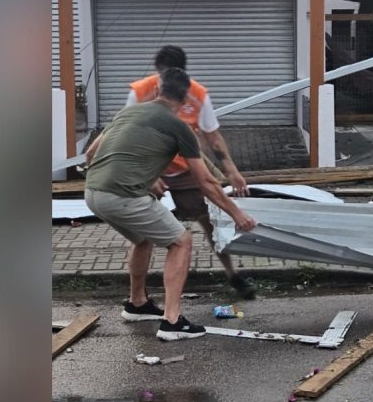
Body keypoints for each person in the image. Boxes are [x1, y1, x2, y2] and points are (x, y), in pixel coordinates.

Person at [84, 68, 256, 341]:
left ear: (156, 90)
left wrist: (135, 179)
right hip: (123, 196)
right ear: (186, 98)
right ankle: (172, 322)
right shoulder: (179, 127)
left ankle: (137, 304)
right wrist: (238, 214)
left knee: (142, 238)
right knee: (181, 241)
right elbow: (207, 183)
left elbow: (92, 153)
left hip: (93, 193)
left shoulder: (126, 113)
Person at [125, 45, 257, 299]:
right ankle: (137, 297)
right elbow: (126, 137)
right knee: (141, 234)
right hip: (148, 168)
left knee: (211, 221)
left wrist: (232, 171)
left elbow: (213, 137)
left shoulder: (196, 94)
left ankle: (233, 275)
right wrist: (149, 176)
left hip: (186, 167)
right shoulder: (140, 92)